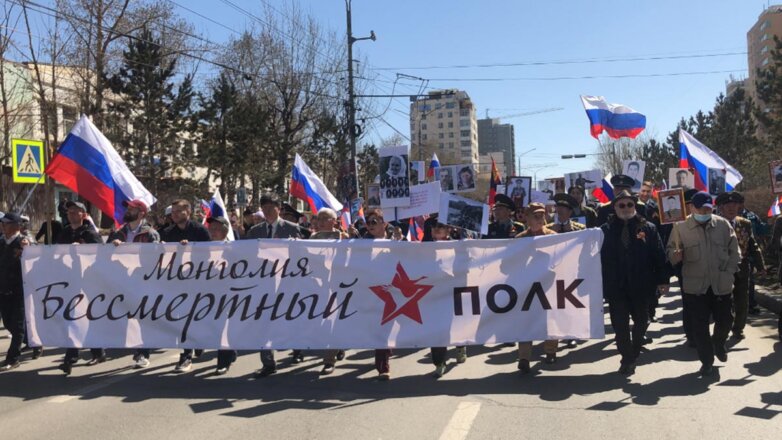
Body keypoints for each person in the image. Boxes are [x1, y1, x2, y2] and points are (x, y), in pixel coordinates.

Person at [667, 191, 739, 376]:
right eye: (700, 209)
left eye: (707, 209)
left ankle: (719, 343)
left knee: (726, 320)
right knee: (699, 327)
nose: (704, 212)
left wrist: (729, 272)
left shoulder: (722, 225)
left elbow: (735, 251)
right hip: (695, 287)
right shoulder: (680, 227)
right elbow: (670, 251)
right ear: (692, 208)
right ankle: (706, 361)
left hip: (721, 284)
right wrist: (675, 256)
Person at [600, 191, 668, 375]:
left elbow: (658, 254)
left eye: (629, 204)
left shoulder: (648, 228)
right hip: (616, 287)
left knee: (641, 322)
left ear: (635, 206)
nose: (626, 208)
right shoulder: (605, 230)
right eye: (621, 205)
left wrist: (663, 280)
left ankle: (634, 350)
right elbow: (595, 258)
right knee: (620, 326)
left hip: (642, 286)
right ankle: (627, 358)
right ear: (615, 208)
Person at [246, 193, 303, 378]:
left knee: (289, 318)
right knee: (264, 322)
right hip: (263, 283)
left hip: (287, 282)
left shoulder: (292, 228)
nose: (268, 211)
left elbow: (301, 255)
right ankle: (268, 362)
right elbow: (247, 255)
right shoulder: (254, 231)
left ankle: (297, 349)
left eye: (271, 207)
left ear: (279, 209)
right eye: (265, 208)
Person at [107, 199, 161, 368]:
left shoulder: (150, 233)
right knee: (122, 314)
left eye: (132, 209)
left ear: (141, 213)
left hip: (142, 281)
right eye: (128, 208)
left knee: (142, 318)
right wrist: (113, 246)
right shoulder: (118, 232)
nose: (128, 211)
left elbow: (155, 258)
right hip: (122, 280)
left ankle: (143, 353)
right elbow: (104, 254)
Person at [160, 199, 211, 372]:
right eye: (173, 212)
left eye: (178, 211)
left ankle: (198, 341)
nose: (174, 215)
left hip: (197, 280)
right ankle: (186, 354)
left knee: (197, 316)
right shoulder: (167, 232)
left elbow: (209, 253)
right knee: (183, 318)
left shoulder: (200, 230)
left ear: (188, 212)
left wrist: (190, 249)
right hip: (177, 281)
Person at [56, 201, 106, 375]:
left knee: (86, 317)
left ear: (83, 215)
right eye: (69, 212)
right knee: (72, 317)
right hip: (70, 280)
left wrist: (83, 249)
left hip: (88, 281)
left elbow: (101, 254)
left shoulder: (90, 233)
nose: (71, 214)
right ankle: (85, 354)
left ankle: (73, 357)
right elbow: (54, 253)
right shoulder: (64, 233)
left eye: (75, 212)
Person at [714, 192, 765, 340]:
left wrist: (761, 266)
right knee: (724, 301)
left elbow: (753, 245)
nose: (731, 208)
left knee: (742, 301)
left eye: (734, 205)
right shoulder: (714, 223)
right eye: (728, 205)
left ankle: (738, 329)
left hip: (742, 268)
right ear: (721, 207)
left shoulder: (745, 223)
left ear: (739, 207)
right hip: (722, 269)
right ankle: (723, 327)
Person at [514, 203, 558, 374]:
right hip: (526, 286)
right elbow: (508, 264)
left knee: (549, 319)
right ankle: (524, 357)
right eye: (536, 216)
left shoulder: (553, 237)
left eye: (542, 215)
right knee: (525, 321)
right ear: (527, 218)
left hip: (548, 284)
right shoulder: (520, 239)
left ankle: (550, 351)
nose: (540, 219)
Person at [425, 216, 467, 378]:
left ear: (448, 229)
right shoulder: (424, 248)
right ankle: (439, 362)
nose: (436, 228)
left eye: (441, 226)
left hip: (452, 291)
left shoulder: (457, 246)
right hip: (433, 294)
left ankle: (460, 346)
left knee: (455, 324)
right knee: (436, 328)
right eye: (434, 225)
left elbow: (464, 267)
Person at [310, 208, 349, 376]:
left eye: (324, 218)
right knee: (323, 320)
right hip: (319, 284)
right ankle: (338, 345)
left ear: (333, 221)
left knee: (332, 320)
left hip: (338, 284)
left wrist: (350, 239)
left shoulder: (343, 237)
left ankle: (329, 360)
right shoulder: (313, 238)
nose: (320, 222)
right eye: (319, 219)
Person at [204, 216, 239, 376]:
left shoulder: (234, 249)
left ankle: (223, 362)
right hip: (210, 295)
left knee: (225, 328)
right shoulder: (203, 248)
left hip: (229, 294)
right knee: (216, 328)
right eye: (211, 229)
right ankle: (231, 352)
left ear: (225, 231)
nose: (213, 232)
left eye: (217, 229)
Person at [364, 208, 395, 380]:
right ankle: (383, 363)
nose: (370, 225)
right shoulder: (361, 243)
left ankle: (384, 360)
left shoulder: (395, 240)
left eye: (374, 222)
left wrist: (400, 242)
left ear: (384, 223)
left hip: (393, 291)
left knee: (387, 328)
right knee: (379, 328)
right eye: (368, 223)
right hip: (371, 292)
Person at [0, 213, 31, 371]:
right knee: (7, 323)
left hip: (20, 289)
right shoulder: (1, 242)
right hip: (3, 288)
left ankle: (13, 359)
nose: (2, 226)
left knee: (17, 325)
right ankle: (32, 342)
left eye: (5, 223)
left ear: (16, 226)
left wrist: (27, 248)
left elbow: (35, 260)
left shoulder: (24, 242)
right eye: (2, 223)